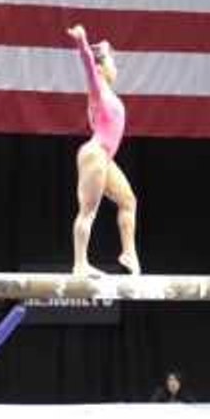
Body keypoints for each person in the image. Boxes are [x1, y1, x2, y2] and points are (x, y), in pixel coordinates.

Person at [66, 24, 141, 277]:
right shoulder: (97, 90)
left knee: (128, 201)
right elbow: (88, 62)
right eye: (112, 62)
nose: (115, 67)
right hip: (96, 153)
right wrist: (82, 41)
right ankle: (80, 264)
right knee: (88, 212)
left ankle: (129, 253)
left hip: (105, 157)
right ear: (100, 68)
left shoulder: (109, 95)